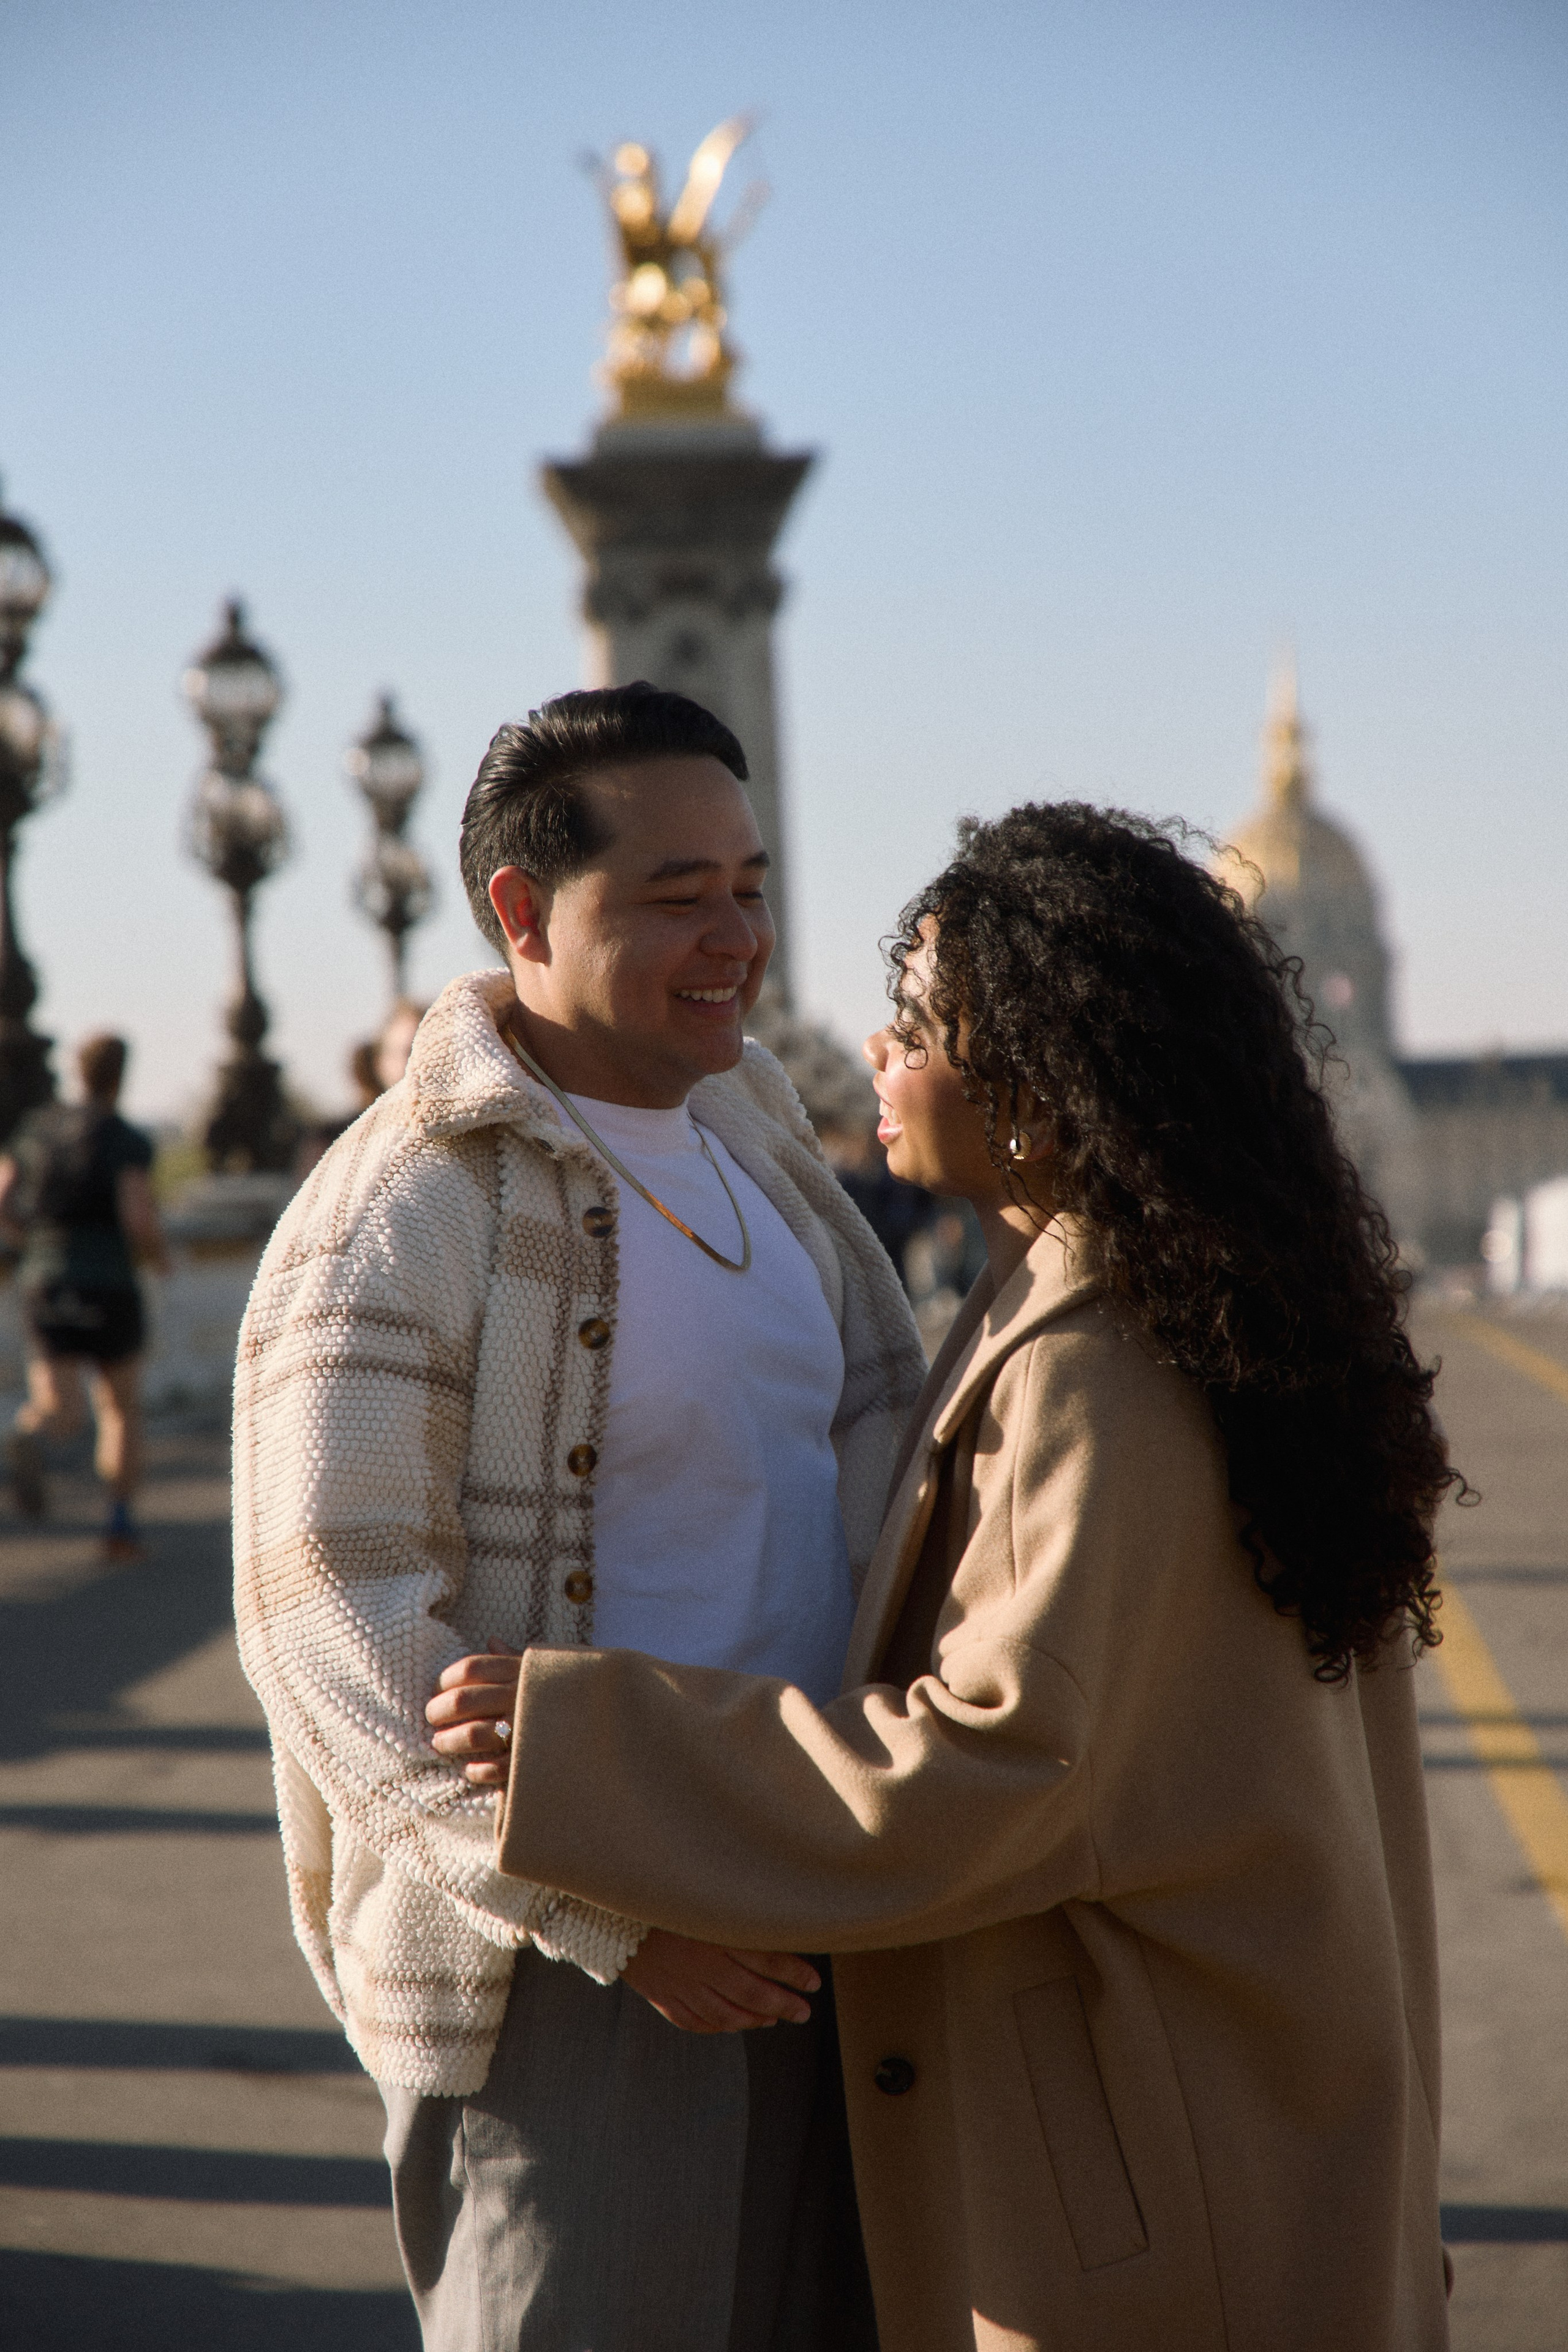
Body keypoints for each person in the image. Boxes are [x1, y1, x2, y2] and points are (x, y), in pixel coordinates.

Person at [437, 802, 1460, 2351]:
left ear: (1041, 1084)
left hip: (1144, 2176)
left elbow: (994, 1761)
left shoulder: (1091, 1362)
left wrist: (589, 1740)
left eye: (916, 1021)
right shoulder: (1209, 1307)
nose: (877, 1047)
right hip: (1254, 2117)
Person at [232, 682, 926, 2351]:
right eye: (677, 897)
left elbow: (887, 1469)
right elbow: (329, 1618)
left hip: (817, 1894)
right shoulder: (414, 1201)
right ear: (523, 914)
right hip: (563, 1966)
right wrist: (616, 1919)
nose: (735, 938)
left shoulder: (757, 1147)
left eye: (750, 887)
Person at [0, 1033, 170, 1557]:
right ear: (122, 1075)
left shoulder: (37, 1131)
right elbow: (136, 1214)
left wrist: (31, 1246)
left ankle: (29, 1431)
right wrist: (158, 1258)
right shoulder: (123, 1138)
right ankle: (118, 1524)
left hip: (46, 1279)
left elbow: (4, 1196)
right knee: (119, 1408)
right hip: (109, 1282)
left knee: (59, 1406)